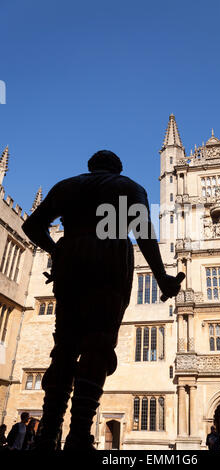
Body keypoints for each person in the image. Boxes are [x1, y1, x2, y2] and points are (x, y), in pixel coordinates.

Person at [22, 150, 183, 451]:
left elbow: (31, 227)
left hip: (72, 258)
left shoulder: (67, 186)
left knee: (65, 348)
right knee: (98, 345)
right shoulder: (130, 187)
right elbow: (144, 234)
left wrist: (56, 250)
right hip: (110, 258)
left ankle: (47, 433)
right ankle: (79, 433)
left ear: (91, 166)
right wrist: (161, 277)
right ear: (118, 169)